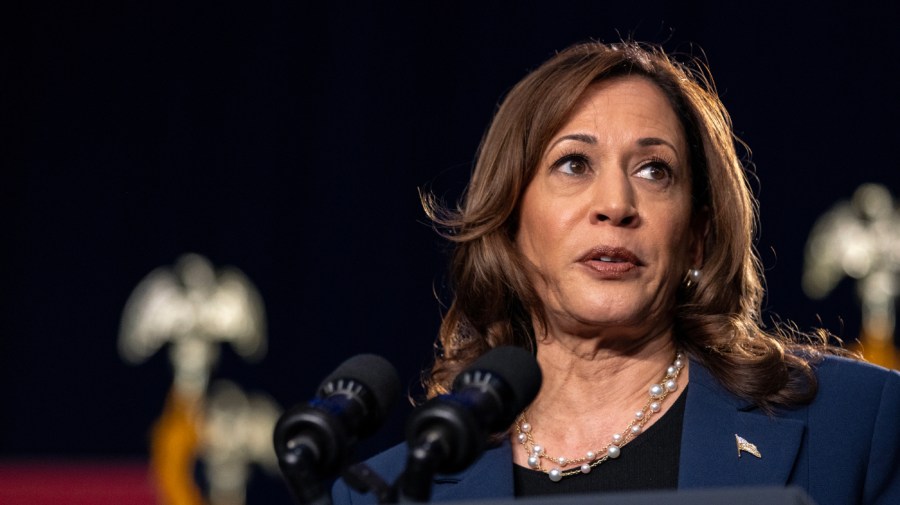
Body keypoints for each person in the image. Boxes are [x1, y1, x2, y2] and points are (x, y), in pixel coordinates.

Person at [332, 41, 900, 504]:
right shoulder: (397, 491)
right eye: (573, 164)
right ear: (509, 221)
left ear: (697, 236)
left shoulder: (857, 424)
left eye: (655, 170)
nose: (616, 204)